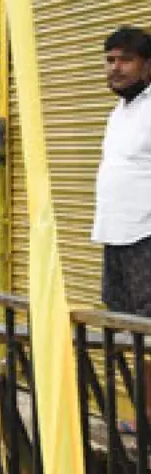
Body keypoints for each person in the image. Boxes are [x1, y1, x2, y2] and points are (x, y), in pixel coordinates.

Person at [93, 26, 151, 318]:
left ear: (147, 65)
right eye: (110, 60)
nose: (115, 68)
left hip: (145, 237)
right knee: (119, 319)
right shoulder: (119, 112)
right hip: (115, 234)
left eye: (126, 60)